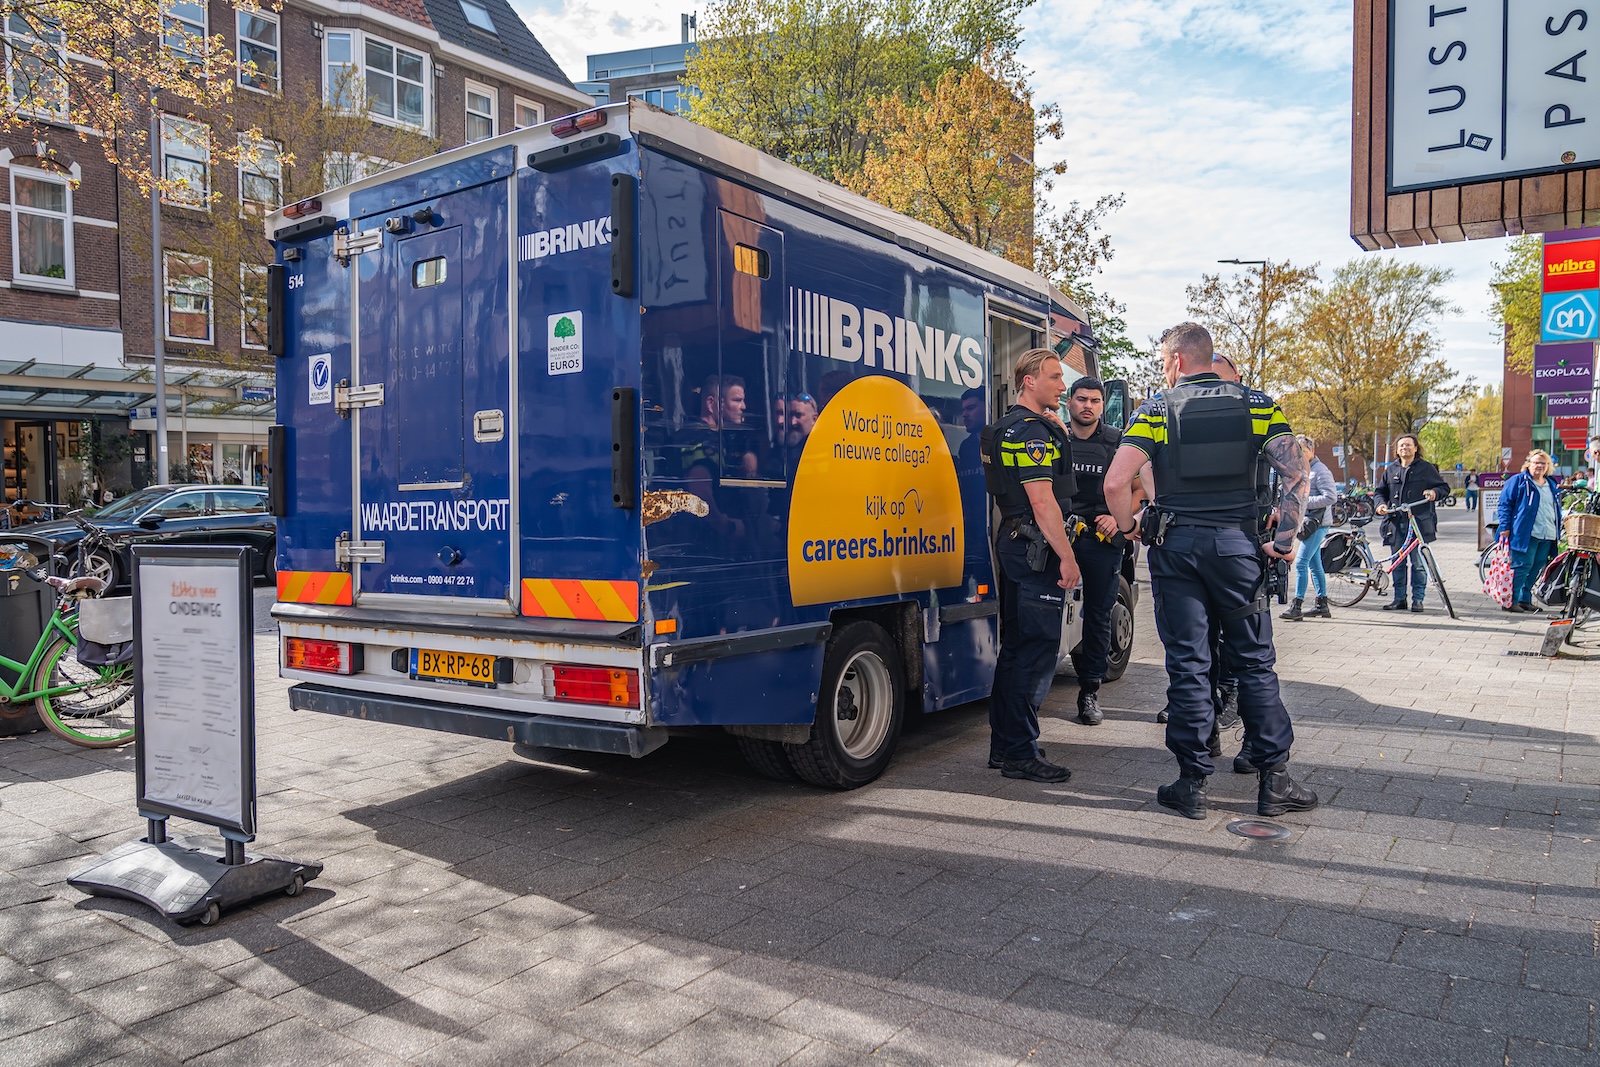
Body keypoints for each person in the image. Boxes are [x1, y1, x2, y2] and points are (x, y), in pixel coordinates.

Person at [1104, 322, 1317, 821]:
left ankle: (1192, 783)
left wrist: (1130, 525)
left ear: (1177, 360)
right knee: (1254, 662)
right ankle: (1275, 781)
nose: (1163, 369)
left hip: (1176, 549)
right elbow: (1296, 473)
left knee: (1188, 664)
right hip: (1238, 550)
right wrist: (1283, 541)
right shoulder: (1258, 406)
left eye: (1162, 361)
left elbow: (1117, 480)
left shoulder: (1156, 410)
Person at [982, 348, 1082, 782]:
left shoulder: (1012, 426)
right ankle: (1021, 754)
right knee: (1037, 651)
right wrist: (1068, 556)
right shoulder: (1032, 434)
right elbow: (1043, 502)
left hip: (1016, 541)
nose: (1064, 386)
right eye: (1055, 377)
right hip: (1035, 547)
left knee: (1016, 649)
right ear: (1029, 381)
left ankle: (1005, 746)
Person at [1063, 376, 1123, 727]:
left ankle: (1089, 693)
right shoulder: (1056, 439)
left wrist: (1119, 518)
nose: (1088, 405)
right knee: (1048, 611)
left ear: (1103, 405)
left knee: (1099, 616)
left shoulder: (1117, 442)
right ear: (1069, 402)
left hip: (1101, 542)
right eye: (1081, 399)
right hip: (1061, 538)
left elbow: (1140, 486)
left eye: (1095, 401)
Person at [1372, 433, 1449, 613]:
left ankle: (1418, 600)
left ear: (1415, 448)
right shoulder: (1390, 470)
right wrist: (1380, 504)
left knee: (1419, 564)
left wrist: (1433, 493)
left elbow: (1444, 488)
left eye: (1408, 445)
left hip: (1419, 524)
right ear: (1396, 450)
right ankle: (1399, 599)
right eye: (1401, 446)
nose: (1404, 448)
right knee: (1398, 563)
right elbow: (1379, 492)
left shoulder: (1426, 468)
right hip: (1396, 524)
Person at [1495, 450, 1563, 613]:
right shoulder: (1518, 481)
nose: (1539, 466)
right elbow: (1504, 504)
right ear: (1529, 464)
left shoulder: (1551, 484)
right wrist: (1504, 527)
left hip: (1547, 533)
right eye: (1536, 462)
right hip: (1525, 533)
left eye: (1543, 463)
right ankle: (1511, 601)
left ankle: (1525, 600)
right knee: (1522, 567)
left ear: (1548, 467)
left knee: (1537, 568)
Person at [1281, 434, 1338, 621]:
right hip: (1307, 523)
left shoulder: (1320, 470)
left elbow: (1331, 497)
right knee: (1314, 564)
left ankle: (1297, 605)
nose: (1299, 454)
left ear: (1312, 450)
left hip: (1318, 524)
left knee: (1301, 562)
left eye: (1303, 451)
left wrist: (1303, 501)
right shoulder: (1301, 470)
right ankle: (1322, 604)